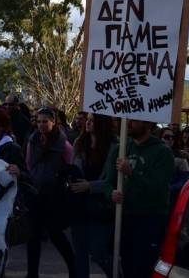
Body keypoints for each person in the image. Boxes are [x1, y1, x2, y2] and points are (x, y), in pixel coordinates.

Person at [105, 119, 174, 278]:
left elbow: (158, 189)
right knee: (125, 266)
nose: (128, 123)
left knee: (143, 269)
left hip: (150, 219)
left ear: (148, 124)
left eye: (134, 120)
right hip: (125, 217)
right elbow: (108, 182)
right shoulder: (120, 148)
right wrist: (111, 193)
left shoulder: (162, 152)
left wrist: (132, 173)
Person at [26, 107, 76, 278]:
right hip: (36, 192)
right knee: (33, 236)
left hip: (55, 195)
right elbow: (29, 163)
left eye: (45, 121)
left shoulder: (64, 145)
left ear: (53, 122)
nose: (41, 125)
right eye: (38, 121)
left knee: (55, 234)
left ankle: (73, 269)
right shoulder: (33, 140)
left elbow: (71, 166)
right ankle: (32, 273)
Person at [69, 114, 116, 278]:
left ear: (102, 123)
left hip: (102, 206)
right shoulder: (80, 143)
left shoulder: (115, 147)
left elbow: (114, 181)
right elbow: (73, 168)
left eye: (92, 120)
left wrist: (91, 186)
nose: (87, 122)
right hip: (79, 204)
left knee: (98, 252)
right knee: (80, 252)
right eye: (87, 119)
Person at [160, 127, 189, 206]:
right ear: (159, 138)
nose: (170, 139)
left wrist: (170, 188)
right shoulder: (152, 155)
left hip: (172, 199)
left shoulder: (181, 158)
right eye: (167, 137)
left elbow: (185, 179)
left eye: (172, 137)